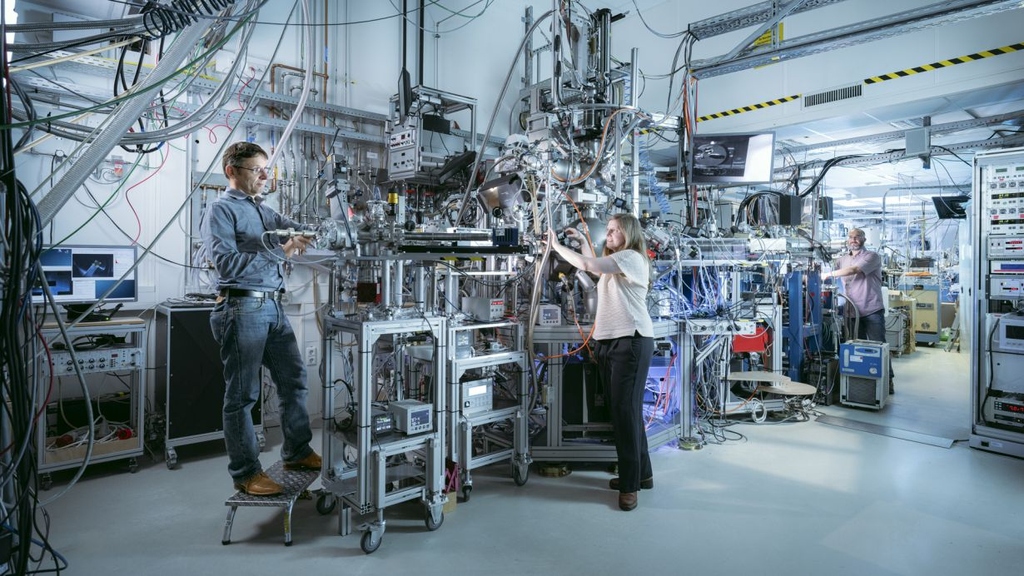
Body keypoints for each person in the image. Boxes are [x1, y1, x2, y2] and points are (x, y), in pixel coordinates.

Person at [200, 142, 321, 496]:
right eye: (257, 170)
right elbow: (228, 265)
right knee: (242, 395)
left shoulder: (264, 210)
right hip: (241, 307)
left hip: (271, 306)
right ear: (232, 172)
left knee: (294, 379)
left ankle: (296, 451)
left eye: (266, 170)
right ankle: (245, 472)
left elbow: (294, 227)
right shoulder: (221, 211)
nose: (265, 177)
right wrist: (282, 249)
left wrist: (319, 231)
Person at [546, 214, 655, 511]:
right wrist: (582, 242)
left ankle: (629, 486)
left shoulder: (631, 257)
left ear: (628, 234)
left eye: (614, 230)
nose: (608, 235)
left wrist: (556, 246)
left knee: (624, 413)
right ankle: (642, 474)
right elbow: (595, 268)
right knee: (626, 412)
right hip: (611, 341)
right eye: (607, 230)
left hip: (630, 340)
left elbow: (589, 266)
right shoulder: (616, 264)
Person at [822, 227, 894, 394]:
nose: (853, 240)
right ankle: (861, 382)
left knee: (879, 347)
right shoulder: (842, 260)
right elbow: (836, 278)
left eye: (857, 237)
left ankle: (888, 380)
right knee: (857, 350)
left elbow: (854, 270)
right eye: (851, 237)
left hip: (871, 308)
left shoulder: (871, 256)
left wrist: (827, 274)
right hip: (851, 312)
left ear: (863, 239)